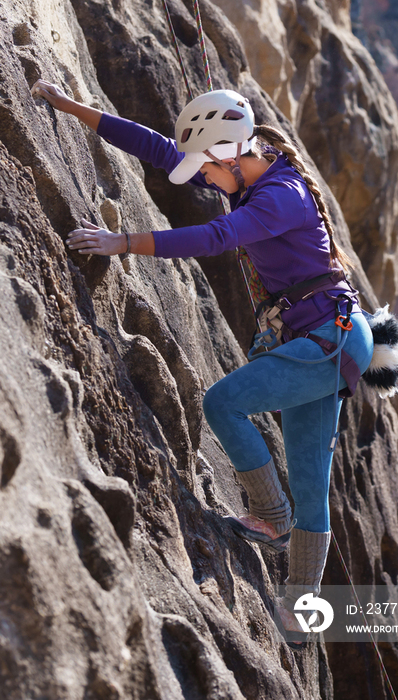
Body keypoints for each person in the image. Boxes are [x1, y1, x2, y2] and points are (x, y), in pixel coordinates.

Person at [31, 80, 374, 646]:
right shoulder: (246, 173)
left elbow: (217, 237)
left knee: (224, 404)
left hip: (327, 339)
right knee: (313, 483)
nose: (204, 181)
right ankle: (301, 620)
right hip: (321, 336)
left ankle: (269, 516)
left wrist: (124, 242)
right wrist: (73, 108)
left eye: (208, 171)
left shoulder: (279, 196)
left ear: (227, 155)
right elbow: (162, 150)